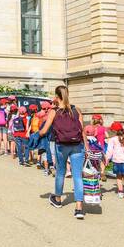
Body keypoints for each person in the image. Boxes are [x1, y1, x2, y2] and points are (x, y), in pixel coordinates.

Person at [44, 85, 88, 220]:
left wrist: (34, 137)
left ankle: (57, 199)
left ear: (57, 96)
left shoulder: (53, 111)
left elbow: (45, 130)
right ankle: (79, 208)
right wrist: (86, 147)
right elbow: (82, 131)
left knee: (61, 173)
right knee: (77, 176)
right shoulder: (76, 110)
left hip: (61, 145)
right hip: (77, 145)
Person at [104, 121, 124, 198]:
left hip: (117, 160)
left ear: (114, 131)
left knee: (119, 177)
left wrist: (107, 159)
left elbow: (109, 151)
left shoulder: (113, 139)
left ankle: (120, 192)